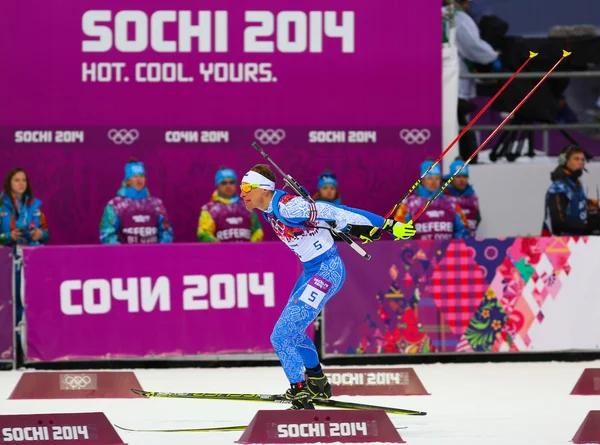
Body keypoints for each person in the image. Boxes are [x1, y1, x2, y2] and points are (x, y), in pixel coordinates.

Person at [239, 164, 416, 409]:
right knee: (293, 331)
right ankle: (318, 382)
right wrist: (357, 229)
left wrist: (388, 225)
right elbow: (329, 223)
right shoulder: (269, 208)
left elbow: (338, 211)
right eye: (241, 188)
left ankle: (299, 392)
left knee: (281, 336)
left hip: (326, 272)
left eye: (247, 188)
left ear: (265, 189)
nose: (242, 193)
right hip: (312, 271)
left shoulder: (289, 207)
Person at [455, 0, 502, 162]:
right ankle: (466, 159)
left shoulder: (447, 17)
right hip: (454, 82)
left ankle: (464, 157)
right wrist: (494, 57)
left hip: (451, 79)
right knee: (458, 120)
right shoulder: (457, 18)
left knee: (458, 119)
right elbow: (473, 47)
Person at [100, 158, 173, 244]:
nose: (139, 180)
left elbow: (166, 231)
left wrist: (160, 253)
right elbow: (107, 234)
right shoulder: (115, 205)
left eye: (142, 176)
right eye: (135, 176)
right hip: (125, 256)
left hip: (153, 256)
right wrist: (121, 254)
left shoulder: (156, 204)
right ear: (128, 180)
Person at [394, 159, 469, 240]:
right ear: (422, 180)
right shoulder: (409, 204)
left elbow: (464, 229)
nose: (434, 182)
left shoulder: (451, 202)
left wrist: (455, 247)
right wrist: (413, 248)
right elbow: (397, 231)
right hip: (419, 252)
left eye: (437, 178)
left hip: (447, 251)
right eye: (430, 178)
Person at [542, 145, 600, 236]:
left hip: (575, 239)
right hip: (556, 244)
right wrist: (589, 225)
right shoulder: (558, 189)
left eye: (582, 159)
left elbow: (575, 207)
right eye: (576, 159)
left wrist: (588, 204)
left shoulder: (576, 184)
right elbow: (558, 223)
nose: (580, 163)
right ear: (565, 162)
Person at [197, 167, 263, 242]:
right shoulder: (209, 209)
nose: (228, 186)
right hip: (221, 253)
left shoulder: (247, 207)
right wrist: (222, 249)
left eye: (231, 182)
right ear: (217, 185)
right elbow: (204, 233)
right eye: (223, 183)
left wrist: (249, 248)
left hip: (246, 252)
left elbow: (257, 232)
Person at [0, 168, 49, 247]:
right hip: (6, 255)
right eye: (17, 180)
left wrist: (41, 234)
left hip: (32, 254)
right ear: (9, 183)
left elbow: (46, 236)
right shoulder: (1, 205)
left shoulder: (34, 205)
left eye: (24, 180)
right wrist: (8, 236)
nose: (21, 183)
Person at [444, 158, 482, 237]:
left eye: (464, 176)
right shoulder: (444, 196)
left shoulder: (473, 197)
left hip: (470, 243)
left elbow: (478, 219)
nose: (461, 180)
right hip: (449, 243)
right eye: (458, 176)